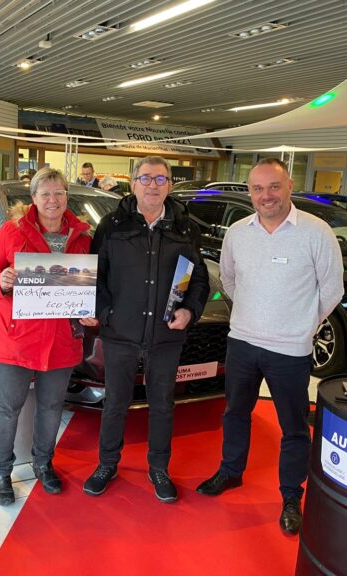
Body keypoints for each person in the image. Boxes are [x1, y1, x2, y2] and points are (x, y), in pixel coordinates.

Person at [195, 158, 344, 534]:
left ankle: (291, 496)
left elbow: (332, 289)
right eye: (258, 188)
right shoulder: (238, 232)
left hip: (291, 349)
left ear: (289, 186)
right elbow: (228, 279)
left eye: (274, 186)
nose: (267, 195)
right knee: (235, 413)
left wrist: (303, 324)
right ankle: (231, 471)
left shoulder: (316, 232)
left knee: (293, 426)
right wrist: (252, 314)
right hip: (242, 342)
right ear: (249, 192)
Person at [83, 155, 210, 503]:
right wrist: (105, 313)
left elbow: (198, 278)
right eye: (146, 178)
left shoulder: (185, 227)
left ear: (170, 185)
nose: (153, 185)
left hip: (166, 335)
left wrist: (190, 310)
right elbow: (95, 276)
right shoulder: (112, 225)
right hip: (120, 333)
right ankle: (107, 464)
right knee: (115, 403)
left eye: (160, 179)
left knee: (163, 404)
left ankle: (159, 468)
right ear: (133, 183)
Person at [0, 167, 98, 506]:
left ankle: (43, 463)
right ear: (33, 198)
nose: (52, 200)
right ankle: (1, 472)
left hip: (60, 339)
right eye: (45, 193)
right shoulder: (12, 231)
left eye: (59, 193)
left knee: (51, 407)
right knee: (7, 408)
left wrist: (88, 310)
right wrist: (0, 281)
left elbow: (89, 284)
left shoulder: (83, 237)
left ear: (66, 196)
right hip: (15, 338)